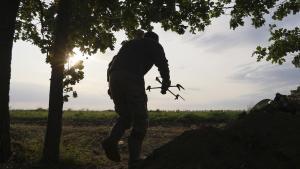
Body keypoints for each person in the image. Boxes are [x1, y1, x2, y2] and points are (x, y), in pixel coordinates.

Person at [102, 31, 171, 168]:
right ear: (155, 40)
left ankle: (112, 140)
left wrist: (111, 86)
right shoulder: (154, 44)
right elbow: (162, 63)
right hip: (132, 78)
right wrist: (166, 81)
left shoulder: (129, 44)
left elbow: (111, 64)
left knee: (126, 116)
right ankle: (134, 161)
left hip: (114, 79)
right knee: (141, 119)